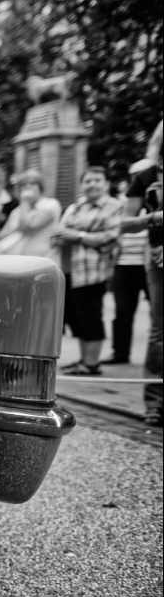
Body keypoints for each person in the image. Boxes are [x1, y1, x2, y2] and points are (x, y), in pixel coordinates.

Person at [51, 166, 123, 376]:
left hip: (93, 271)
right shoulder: (75, 207)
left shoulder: (114, 206)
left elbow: (108, 238)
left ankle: (92, 364)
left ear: (106, 184)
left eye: (97, 180)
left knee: (91, 317)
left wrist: (75, 235)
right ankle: (84, 360)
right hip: (70, 270)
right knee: (78, 318)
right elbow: (57, 234)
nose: (92, 184)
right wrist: (85, 236)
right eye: (88, 181)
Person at [121, 120, 163, 426]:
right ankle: (156, 404)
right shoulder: (146, 176)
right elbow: (126, 222)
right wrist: (154, 217)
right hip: (159, 258)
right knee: (160, 331)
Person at [106, 163, 151, 366]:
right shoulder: (121, 205)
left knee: (157, 311)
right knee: (123, 311)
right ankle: (120, 353)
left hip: (150, 262)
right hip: (125, 263)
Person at [0, 170, 61, 265]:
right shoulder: (17, 211)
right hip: (17, 264)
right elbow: (1, 236)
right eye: (23, 185)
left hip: (42, 264)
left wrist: (25, 201)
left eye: (32, 183)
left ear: (40, 187)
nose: (27, 186)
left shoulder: (51, 204)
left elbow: (29, 227)